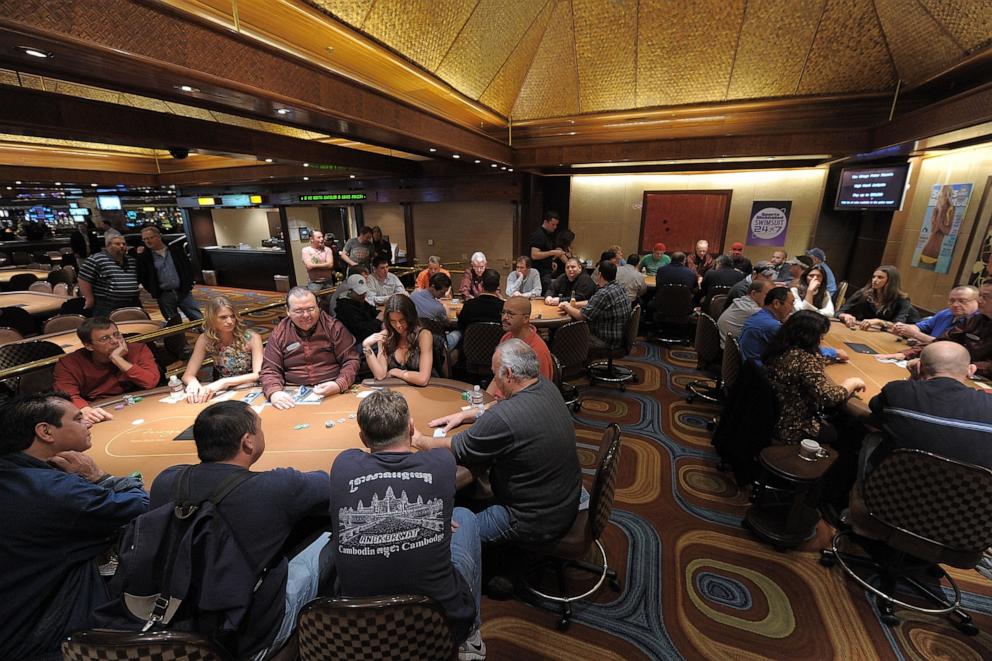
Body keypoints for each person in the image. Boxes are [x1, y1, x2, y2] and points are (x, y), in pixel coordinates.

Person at [149, 401, 330, 659]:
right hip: (245, 637)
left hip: (175, 625)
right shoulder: (278, 487)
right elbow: (326, 485)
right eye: (259, 428)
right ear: (248, 442)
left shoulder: (166, 481)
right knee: (328, 537)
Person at [329, 390, 484, 657]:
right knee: (466, 518)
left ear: (363, 438)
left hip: (358, 633)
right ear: (411, 428)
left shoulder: (343, 465)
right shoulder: (441, 462)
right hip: (440, 629)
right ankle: (470, 639)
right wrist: (435, 522)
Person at [0, 392, 148, 661]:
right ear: (45, 431)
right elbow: (142, 508)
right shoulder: (56, 492)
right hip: (40, 640)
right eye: (78, 418)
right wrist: (99, 477)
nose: (87, 423)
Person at [413, 340, 582, 546]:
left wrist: (420, 440)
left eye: (495, 374)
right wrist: (469, 414)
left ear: (509, 374)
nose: (495, 380)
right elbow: (504, 403)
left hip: (531, 519)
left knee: (442, 529)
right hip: (565, 498)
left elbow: (457, 446)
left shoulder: (504, 418)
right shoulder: (545, 385)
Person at [866, 342, 992, 471]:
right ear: (971, 370)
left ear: (919, 367)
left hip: (888, 487)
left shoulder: (896, 391)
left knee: (871, 438)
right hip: (965, 490)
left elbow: (874, 410)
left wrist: (913, 379)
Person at [763, 311, 866, 445]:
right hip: (793, 426)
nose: (821, 341)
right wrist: (850, 383)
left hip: (773, 418)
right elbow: (827, 398)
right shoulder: (805, 360)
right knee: (847, 430)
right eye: (821, 337)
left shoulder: (780, 349)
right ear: (809, 337)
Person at [259, 287, 360, 409]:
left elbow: (351, 360)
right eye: (299, 311)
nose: (306, 315)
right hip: (293, 393)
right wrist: (274, 392)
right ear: (288, 311)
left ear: (318, 307)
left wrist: (339, 384)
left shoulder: (333, 327)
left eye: (311, 309)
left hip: (333, 389)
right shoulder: (279, 333)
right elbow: (270, 370)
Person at [52, 317, 160, 425]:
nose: (114, 341)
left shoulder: (138, 349)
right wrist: (84, 409)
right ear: (88, 346)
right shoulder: (69, 363)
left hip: (142, 402)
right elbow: (68, 396)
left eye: (116, 334)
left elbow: (150, 382)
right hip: (100, 410)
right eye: (105, 338)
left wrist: (118, 359)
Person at [878, 282, 992, 378]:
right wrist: (905, 354)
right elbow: (943, 342)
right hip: (962, 373)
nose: (980, 300)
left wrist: (968, 367)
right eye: (980, 296)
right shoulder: (975, 320)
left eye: (985, 296)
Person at [181, 296, 263, 403]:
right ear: (212, 319)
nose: (230, 321)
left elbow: (258, 374)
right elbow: (187, 375)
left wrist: (224, 382)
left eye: (232, 316)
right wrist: (193, 383)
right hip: (223, 391)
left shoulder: (252, 338)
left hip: (250, 388)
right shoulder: (205, 339)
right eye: (223, 317)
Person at [363, 293, 433, 386]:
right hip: (396, 391)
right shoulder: (385, 336)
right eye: (393, 321)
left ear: (410, 317)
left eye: (402, 320)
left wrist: (396, 372)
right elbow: (380, 375)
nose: (398, 325)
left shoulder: (423, 335)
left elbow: (423, 379)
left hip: (423, 391)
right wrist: (366, 346)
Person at [489, 296, 553, 398]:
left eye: (510, 314)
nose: (504, 317)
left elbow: (540, 393)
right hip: (501, 401)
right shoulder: (506, 338)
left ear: (526, 318)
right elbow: (497, 378)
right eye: (503, 312)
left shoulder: (538, 351)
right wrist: (486, 401)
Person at [135, 225, 202, 322]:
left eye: (151, 238)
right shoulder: (145, 257)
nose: (148, 241)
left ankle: (207, 336)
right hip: (164, 295)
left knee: (197, 317)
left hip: (183, 291)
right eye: (145, 239)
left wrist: (189, 285)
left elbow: (187, 268)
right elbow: (144, 277)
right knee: (173, 322)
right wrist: (154, 291)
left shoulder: (175, 250)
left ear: (159, 236)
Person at [561, 259, 631, 349]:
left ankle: (570, 361)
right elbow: (592, 302)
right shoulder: (619, 287)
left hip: (605, 341)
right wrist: (573, 304)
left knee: (565, 335)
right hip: (619, 337)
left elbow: (582, 316)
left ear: (600, 274)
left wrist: (565, 306)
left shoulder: (604, 293)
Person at [78, 229, 141, 318]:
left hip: (132, 302)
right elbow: (83, 279)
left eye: (124, 244)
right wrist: (89, 298)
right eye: (117, 244)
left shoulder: (131, 260)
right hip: (107, 305)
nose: (122, 246)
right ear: (107, 246)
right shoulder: (95, 260)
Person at [837, 265, 918, 329]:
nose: (874, 280)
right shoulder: (863, 293)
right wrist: (845, 316)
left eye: (880, 277)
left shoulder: (902, 300)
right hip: (866, 331)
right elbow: (838, 312)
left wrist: (880, 322)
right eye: (874, 277)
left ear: (891, 281)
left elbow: (898, 325)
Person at [890, 285, 979, 344]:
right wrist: (902, 328)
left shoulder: (978, 323)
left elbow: (946, 347)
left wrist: (915, 334)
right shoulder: (946, 313)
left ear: (977, 301)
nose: (955, 305)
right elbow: (920, 327)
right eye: (952, 301)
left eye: (962, 301)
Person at [738, 287, 795, 365]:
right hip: (759, 371)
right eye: (791, 303)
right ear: (776, 303)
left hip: (749, 366)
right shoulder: (772, 325)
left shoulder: (760, 315)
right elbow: (794, 349)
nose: (792, 309)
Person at [717, 279, 775, 348]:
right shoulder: (752, 311)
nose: (771, 300)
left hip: (725, 347)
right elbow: (777, 327)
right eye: (768, 295)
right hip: (733, 352)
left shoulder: (742, 301)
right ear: (753, 293)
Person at [411, 272, 461, 350]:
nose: (444, 295)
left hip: (416, 339)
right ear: (432, 287)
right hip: (436, 343)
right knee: (460, 332)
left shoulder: (413, 295)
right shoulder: (438, 308)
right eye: (442, 292)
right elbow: (448, 323)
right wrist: (445, 307)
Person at [333, 274, 380, 346]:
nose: (363, 295)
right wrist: (378, 321)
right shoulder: (345, 309)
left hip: (370, 335)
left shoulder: (359, 300)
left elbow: (373, 311)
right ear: (350, 291)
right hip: (357, 344)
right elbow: (362, 332)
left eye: (364, 292)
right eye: (360, 293)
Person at [919, 185, 955, 268]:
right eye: (942, 194)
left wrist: (942, 213)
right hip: (924, 252)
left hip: (935, 256)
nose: (944, 197)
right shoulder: (936, 210)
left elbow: (947, 231)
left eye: (946, 195)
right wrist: (940, 212)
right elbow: (933, 229)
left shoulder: (951, 210)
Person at [529, 211, 562, 294]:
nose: (555, 227)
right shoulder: (539, 235)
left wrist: (551, 261)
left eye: (556, 225)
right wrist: (552, 252)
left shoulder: (548, 235)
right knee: (544, 294)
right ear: (545, 222)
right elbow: (534, 255)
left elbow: (544, 252)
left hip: (546, 271)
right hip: (540, 273)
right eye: (553, 224)